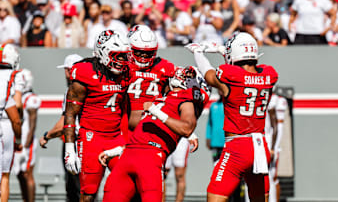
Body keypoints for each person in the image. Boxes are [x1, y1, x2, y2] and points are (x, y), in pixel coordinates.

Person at [185, 32, 278, 202]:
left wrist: (198, 54)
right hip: (260, 146)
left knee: (215, 196)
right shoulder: (268, 75)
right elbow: (247, 74)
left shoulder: (230, 76)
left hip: (237, 148)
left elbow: (209, 74)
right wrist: (225, 52)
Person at [100, 66, 210, 202]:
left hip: (151, 157)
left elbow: (187, 129)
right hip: (128, 155)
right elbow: (144, 135)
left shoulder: (185, 101)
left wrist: (155, 111)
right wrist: (117, 151)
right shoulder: (161, 99)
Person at [63, 30, 131, 202]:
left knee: (129, 184)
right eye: (118, 56)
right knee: (89, 193)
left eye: (124, 56)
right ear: (103, 53)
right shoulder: (85, 71)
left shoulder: (126, 73)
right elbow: (70, 113)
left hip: (116, 137)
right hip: (91, 138)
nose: (122, 61)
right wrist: (70, 148)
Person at [39, 54, 83, 202]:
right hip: (90, 141)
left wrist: (47, 136)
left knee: (75, 189)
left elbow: (65, 122)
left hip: (76, 142)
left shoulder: (73, 89)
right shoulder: (92, 87)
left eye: (66, 70)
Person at [12, 69, 41, 202]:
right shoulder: (20, 97)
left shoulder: (31, 98)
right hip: (19, 140)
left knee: (27, 173)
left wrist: (27, 145)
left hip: (26, 142)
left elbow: (32, 125)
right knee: (19, 173)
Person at [0, 43, 23, 202]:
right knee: (5, 174)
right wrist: (19, 139)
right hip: (5, 124)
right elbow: (17, 106)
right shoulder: (14, 75)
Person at [264, 93, 288, 202]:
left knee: (271, 176)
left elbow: (277, 127)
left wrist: (274, 147)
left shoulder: (276, 101)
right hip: (259, 142)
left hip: (269, 144)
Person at [164, 135, 192, 202]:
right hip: (165, 137)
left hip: (181, 139)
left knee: (180, 175)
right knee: (162, 175)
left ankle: (179, 200)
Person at [206, 91, 225, 162]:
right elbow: (209, 123)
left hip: (226, 141)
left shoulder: (230, 106)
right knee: (216, 164)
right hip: (215, 142)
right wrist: (208, 137)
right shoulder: (213, 106)